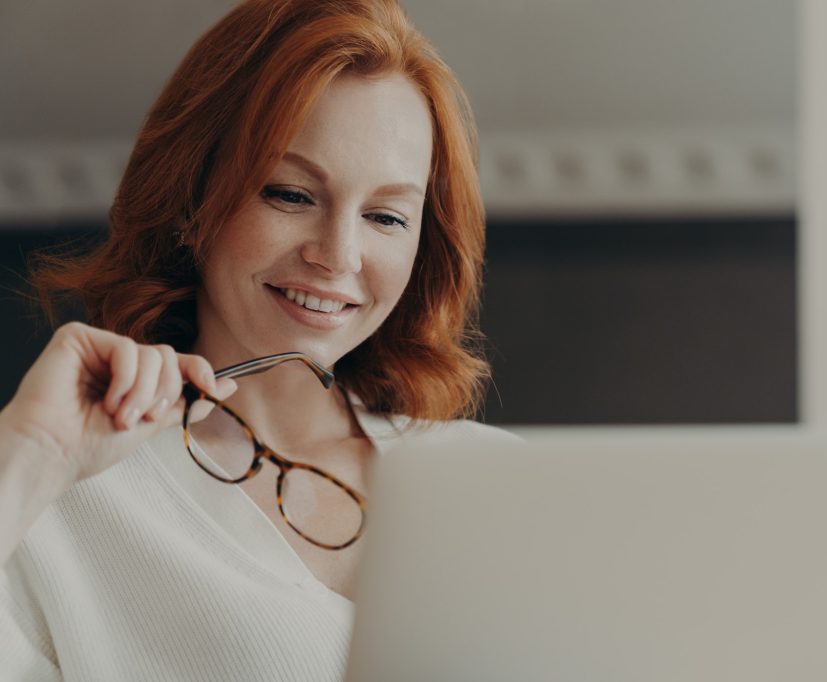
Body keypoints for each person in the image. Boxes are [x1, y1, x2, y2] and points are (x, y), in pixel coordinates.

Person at [0, 0, 515, 679]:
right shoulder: (60, 502)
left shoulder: (499, 479)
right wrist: (29, 456)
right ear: (192, 201)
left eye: (387, 216)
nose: (339, 255)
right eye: (291, 194)